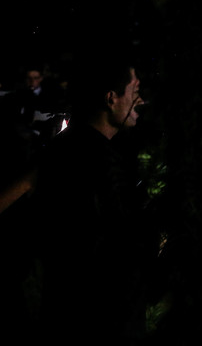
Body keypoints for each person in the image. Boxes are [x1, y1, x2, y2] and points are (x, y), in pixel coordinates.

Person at [33, 60, 148, 342]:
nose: (141, 101)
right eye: (134, 92)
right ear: (111, 98)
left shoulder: (73, 146)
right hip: (95, 321)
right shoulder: (95, 159)